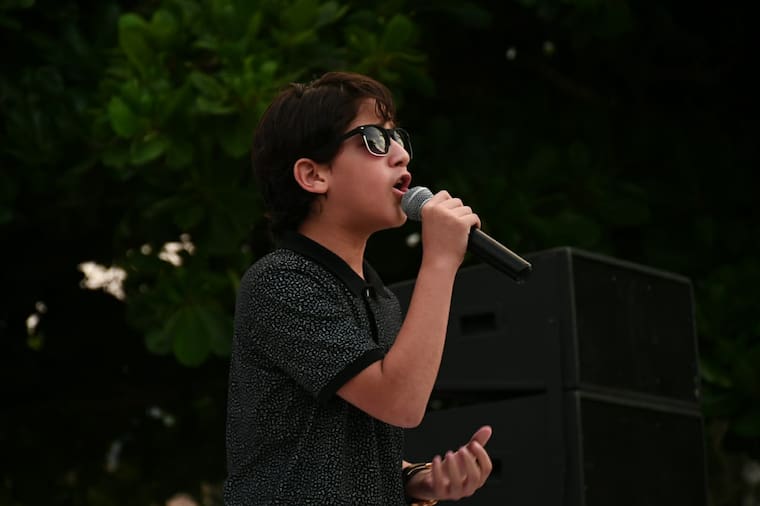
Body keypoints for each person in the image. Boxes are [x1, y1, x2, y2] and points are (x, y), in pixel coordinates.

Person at [224, 71, 493, 505]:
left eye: (398, 137)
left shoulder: (377, 295)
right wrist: (441, 261)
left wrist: (415, 479)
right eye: (374, 139)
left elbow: (343, 445)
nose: (400, 154)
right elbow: (400, 402)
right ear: (313, 175)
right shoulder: (281, 281)